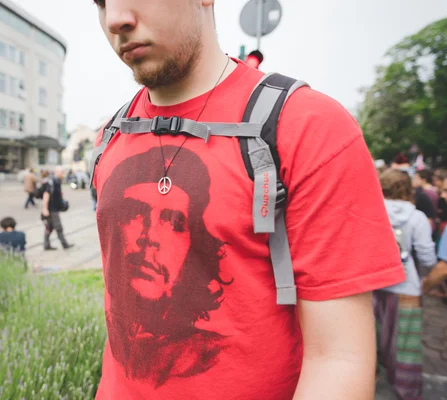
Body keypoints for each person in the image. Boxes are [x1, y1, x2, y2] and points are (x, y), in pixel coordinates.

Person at [90, 1, 406, 399]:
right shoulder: (110, 137)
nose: (116, 18)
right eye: (100, 2)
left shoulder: (308, 127)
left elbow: (338, 360)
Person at [374, 169, 437, 400]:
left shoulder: (371, 209)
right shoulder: (417, 217)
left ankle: (370, 378)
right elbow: (427, 255)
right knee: (405, 342)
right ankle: (406, 388)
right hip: (405, 285)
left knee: (371, 336)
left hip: (372, 283)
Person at [41, 168, 74, 250]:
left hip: (54, 209)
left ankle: (46, 245)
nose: (63, 174)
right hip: (52, 210)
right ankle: (65, 245)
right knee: (58, 228)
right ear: (56, 172)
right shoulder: (53, 182)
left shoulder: (57, 181)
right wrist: (45, 208)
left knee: (50, 227)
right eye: (62, 172)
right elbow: (46, 194)